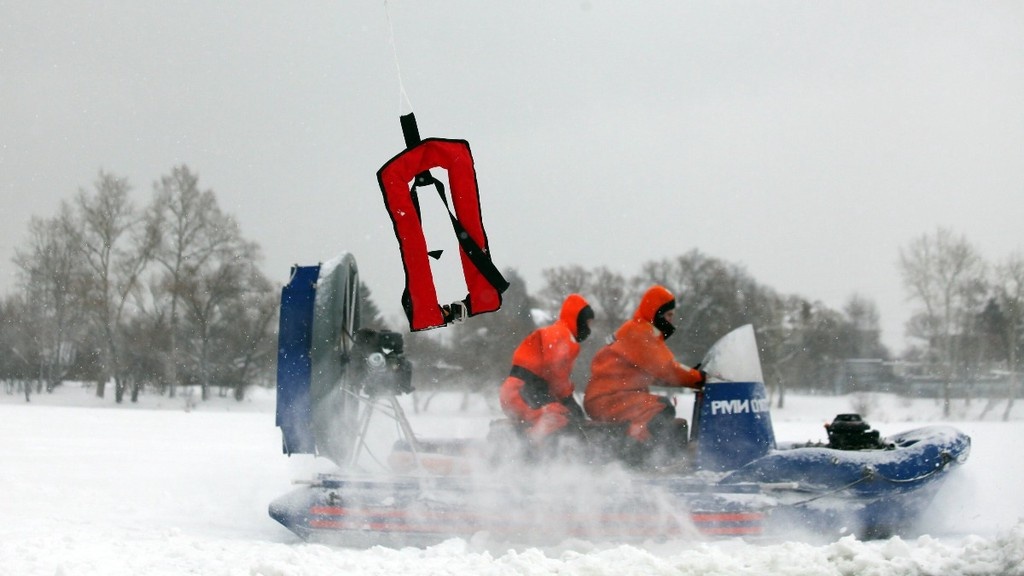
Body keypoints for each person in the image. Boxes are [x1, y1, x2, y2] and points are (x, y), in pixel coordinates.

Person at [583, 285, 705, 462]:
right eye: (668, 315)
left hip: (608, 397)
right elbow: (668, 369)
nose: (671, 321)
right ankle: (646, 458)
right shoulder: (641, 332)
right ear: (657, 312)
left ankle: (652, 456)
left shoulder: (638, 330)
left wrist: (693, 375)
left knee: (660, 407)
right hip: (608, 398)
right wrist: (701, 378)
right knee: (660, 409)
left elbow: (661, 376)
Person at [499, 293, 595, 443]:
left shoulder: (556, 333)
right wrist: (568, 400)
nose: (589, 329)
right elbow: (556, 373)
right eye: (587, 323)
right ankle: (530, 447)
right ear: (578, 320)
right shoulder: (561, 335)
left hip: (515, 392)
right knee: (561, 418)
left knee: (556, 417)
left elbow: (554, 375)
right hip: (525, 390)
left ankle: (522, 447)